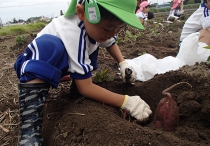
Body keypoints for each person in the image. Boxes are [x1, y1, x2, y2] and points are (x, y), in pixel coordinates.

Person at [14, 0, 152, 145]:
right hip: (33, 68)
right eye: (107, 29)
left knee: (95, 40)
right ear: (81, 12)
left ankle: (75, 93)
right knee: (49, 46)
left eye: (118, 29)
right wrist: (126, 102)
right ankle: (28, 130)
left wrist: (123, 63)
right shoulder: (73, 31)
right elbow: (86, 87)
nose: (112, 33)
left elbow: (110, 42)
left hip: (63, 64)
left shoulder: (93, 25)